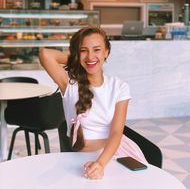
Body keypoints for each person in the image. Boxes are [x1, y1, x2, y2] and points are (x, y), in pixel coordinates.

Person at [39, 26, 147, 179]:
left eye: (97, 50)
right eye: (84, 50)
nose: (90, 56)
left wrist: (101, 163)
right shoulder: (69, 84)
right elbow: (45, 54)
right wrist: (79, 59)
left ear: (106, 52)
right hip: (81, 159)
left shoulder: (119, 87)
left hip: (115, 155)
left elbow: (117, 133)